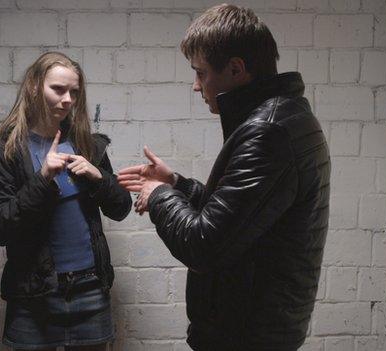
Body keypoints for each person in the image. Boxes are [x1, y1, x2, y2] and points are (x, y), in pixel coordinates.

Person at [118, 4, 330, 351]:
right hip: (256, 330)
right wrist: (178, 185)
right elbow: (240, 219)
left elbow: (204, 246)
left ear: (235, 69)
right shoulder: (286, 117)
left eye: (200, 73)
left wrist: (157, 194)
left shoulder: (267, 131)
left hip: (245, 337)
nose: (195, 85)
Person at [0, 52, 132, 351]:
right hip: (34, 293)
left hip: (90, 288)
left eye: (74, 92)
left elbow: (121, 208)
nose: (67, 100)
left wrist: (97, 176)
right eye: (58, 89)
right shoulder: (7, 150)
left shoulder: (86, 143)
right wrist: (42, 179)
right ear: (35, 86)